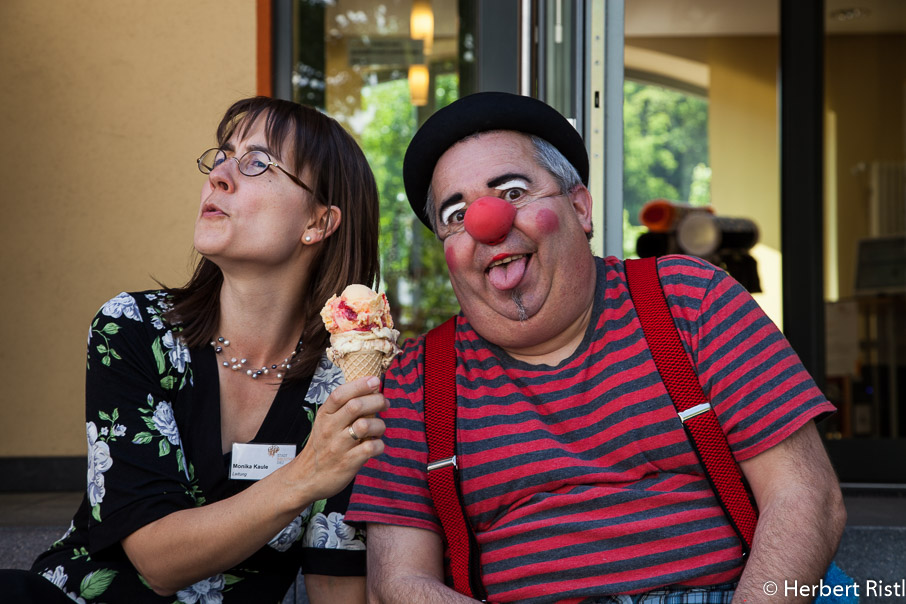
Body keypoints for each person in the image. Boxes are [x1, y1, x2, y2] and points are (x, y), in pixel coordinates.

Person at [345, 91, 846, 603]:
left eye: (513, 192)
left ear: (581, 208)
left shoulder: (692, 301)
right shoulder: (415, 382)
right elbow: (398, 583)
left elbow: (807, 497)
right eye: (455, 214)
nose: (485, 223)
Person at [11, 97, 388, 602]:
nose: (220, 176)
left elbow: (335, 580)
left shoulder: (344, 380)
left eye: (257, 162)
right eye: (222, 156)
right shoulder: (134, 329)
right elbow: (157, 561)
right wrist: (306, 474)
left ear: (318, 223)